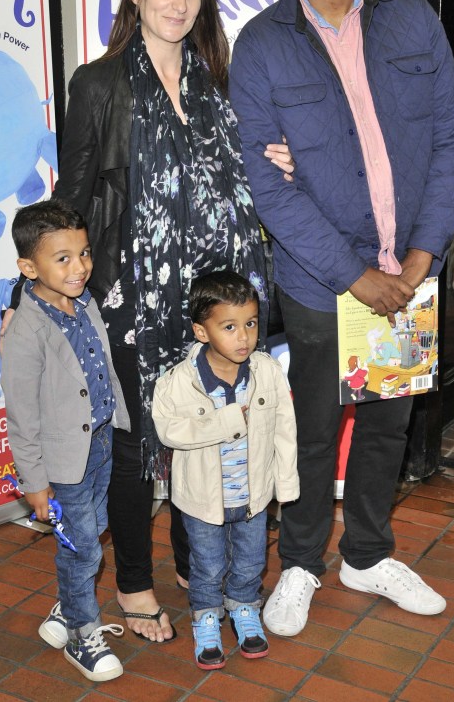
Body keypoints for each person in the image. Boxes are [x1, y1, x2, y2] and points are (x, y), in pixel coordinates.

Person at [18, 0, 293, 643]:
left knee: (199, 433)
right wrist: (52, 291)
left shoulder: (216, 85)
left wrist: (277, 159)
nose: (178, 1)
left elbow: (242, 180)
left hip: (210, 307)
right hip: (130, 301)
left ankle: (188, 561)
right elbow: (72, 200)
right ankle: (135, 588)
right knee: (139, 446)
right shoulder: (101, 83)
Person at [229, 0, 454, 636]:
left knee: (387, 421)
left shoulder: (413, 19)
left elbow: (452, 138)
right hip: (316, 282)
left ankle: (367, 553)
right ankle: (300, 562)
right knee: (310, 426)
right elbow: (269, 188)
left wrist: (421, 257)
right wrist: (353, 275)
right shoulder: (261, 44)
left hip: (409, 272)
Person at [1, 198, 131, 682]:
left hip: (97, 444)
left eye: (84, 253)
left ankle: (65, 606)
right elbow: (22, 416)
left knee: (91, 531)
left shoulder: (85, 301)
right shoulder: (25, 331)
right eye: (63, 259)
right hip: (61, 460)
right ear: (28, 266)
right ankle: (81, 631)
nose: (80, 268)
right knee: (83, 549)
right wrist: (34, 483)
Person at [152, 270, 299, 669]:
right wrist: (230, 419)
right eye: (229, 327)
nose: (244, 337)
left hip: (253, 494)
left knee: (252, 559)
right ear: (202, 332)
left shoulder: (267, 371)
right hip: (202, 500)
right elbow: (169, 430)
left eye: (250, 324)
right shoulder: (178, 383)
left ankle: (245, 607)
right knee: (208, 563)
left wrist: (284, 485)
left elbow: (285, 430)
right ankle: (206, 616)